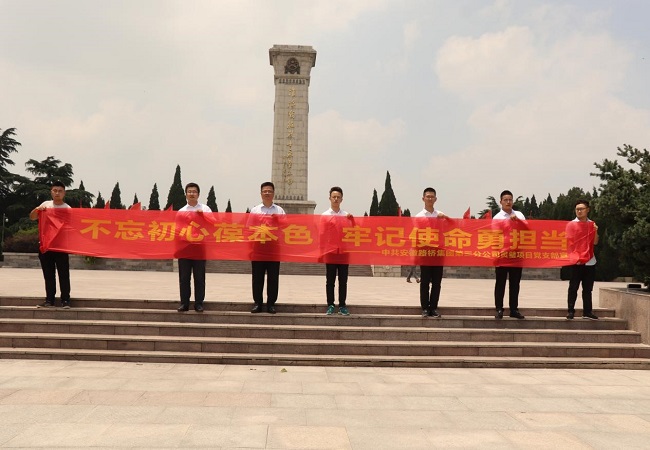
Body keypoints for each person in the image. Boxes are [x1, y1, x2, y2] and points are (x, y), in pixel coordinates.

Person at [29, 181, 72, 308]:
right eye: (55, 190)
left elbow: (72, 226)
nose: (57, 193)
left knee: (63, 275)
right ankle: (49, 300)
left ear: (64, 193)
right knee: (48, 275)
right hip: (46, 246)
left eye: (60, 191)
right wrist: (37, 210)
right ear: (51, 192)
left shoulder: (67, 209)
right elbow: (32, 217)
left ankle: (65, 300)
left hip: (61, 246)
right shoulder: (45, 205)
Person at [249, 181, 286, 314]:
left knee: (273, 278)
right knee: (257, 278)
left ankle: (271, 304)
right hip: (258, 247)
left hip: (274, 248)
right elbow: (249, 228)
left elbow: (286, 227)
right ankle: (257, 303)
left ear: (273, 193)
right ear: (261, 193)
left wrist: (278, 220)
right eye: (265, 191)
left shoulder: (279, 210)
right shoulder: (255, 210)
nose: (267, 193)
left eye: (269, 191)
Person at [176, 183, 212, 312]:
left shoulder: (205, 209)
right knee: (184, 277)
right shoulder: (181, 211)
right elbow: (177, 230)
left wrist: (203, 216)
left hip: (199, 248)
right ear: (186, 194)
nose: (192, 194)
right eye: (189, 191)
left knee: (199, 277)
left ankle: (199, 303)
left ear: (198, 194)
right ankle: (184, 303)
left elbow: (213, 224)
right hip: (184, 248)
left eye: (194, 191)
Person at [493, 190, 526, 319]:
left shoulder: (519, 215)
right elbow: (494, 236)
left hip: (516, 254)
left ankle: (514, 309)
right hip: (502, 255)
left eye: (510, 200)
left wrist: (517, 222)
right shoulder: (497, 217)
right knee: (500, 283)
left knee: (515, 283)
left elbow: (527, 230)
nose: (508, 202)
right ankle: (499, 309)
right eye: (505, 200)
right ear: (500, 201)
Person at [321, 186, 353, 316]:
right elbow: (322, 234)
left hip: (344, 252)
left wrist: (352, 221)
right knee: (330, 281)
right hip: (330, 252)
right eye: (334, 197)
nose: (336, 199)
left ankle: (342, 305)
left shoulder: (346, 215)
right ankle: (330, 305)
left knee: (343, 281)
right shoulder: (324, 216)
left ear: (341, 199)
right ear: (329, 198)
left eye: (338, 197)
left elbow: (352, 232)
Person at [415, 187, 447, 318]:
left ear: (436, 199)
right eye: (427, 196)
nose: (430, 198)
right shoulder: (418, 217)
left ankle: (433, 307)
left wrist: (444, 219)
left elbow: (449, 229)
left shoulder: (440, 215)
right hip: (425, 253)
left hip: (438, 253)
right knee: (425, 282)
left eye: (432, 196)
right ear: (423, 198)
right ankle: (425, 308)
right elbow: (415, 236)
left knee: (437, 282)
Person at [566, 199, 599, 320]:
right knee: (573, 287)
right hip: (576, 261)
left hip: (590, 261)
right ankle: (571, 311)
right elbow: (568, 242)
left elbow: (595, 242)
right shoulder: (571, 224)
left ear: (587, 210)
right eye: (577, 209)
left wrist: (595, 231)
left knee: (588, 289)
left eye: (581, 209)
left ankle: (587, 311)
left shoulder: (592, 224)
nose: (579, 211)